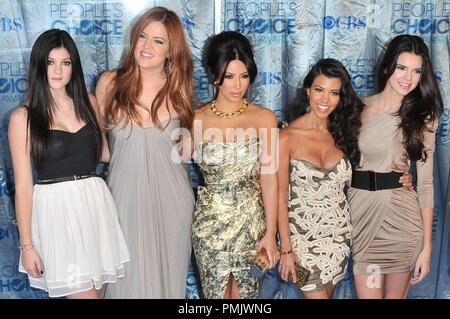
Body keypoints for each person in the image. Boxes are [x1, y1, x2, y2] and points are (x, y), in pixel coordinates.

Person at [8, 29, 129, 299]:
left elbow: (106, 154)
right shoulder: (23, 118)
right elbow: (25, 187)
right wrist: (27, 246)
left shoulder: (89, 102)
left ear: (73, 66)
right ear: (39, 64)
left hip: (96, 207)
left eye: (65, 62)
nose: (58, 70)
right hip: (57, 215)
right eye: (50, 62)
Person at [95, 7, 195, 298]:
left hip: (173, 203)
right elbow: (99, 149)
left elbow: (191, 145)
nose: (147, 46)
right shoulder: (110, 83)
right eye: (143, 36)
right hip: (122, 199)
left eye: (158, 41)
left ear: (171, 51)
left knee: (168, 285)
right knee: (123, 283)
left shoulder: (179, 89)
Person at [348, 35, 443, 299]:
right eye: (402, 68)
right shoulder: (356, 108)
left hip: (401, 221)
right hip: (362, 215)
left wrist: (427, 247)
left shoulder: (423, 118)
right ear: (388, 67)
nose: (408, 78)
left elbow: (424, 184)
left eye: (416, 71)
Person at [190, 31, 279, 299]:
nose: (237, 85)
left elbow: (269, 178)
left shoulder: (264, 118)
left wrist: (270, 233)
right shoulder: (195, 119)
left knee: (245, 298)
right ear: (215, 75)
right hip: (209, 225)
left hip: (252, 225)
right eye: (229, 76)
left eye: (243, 76)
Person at [277, 58, 365, 298]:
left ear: (341, 97)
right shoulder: (287, 137)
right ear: (308, 91)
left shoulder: (343, 134)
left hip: (338, 238)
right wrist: (286, 249)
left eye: (333, 93)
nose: (325, 100)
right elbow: (279, 197)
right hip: (301, 243)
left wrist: (401, 178)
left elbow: (356, 185)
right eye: (319, 90)